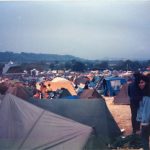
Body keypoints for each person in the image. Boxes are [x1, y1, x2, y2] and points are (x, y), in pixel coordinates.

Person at [136, 75, 150, 150]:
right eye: (139, 83)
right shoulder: (144, 93)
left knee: (144, 138)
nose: (140, 84)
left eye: (142, 82)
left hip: (147, 122)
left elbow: (146, 110)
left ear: (147, 83)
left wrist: (144, 123)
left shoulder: (147, 95)